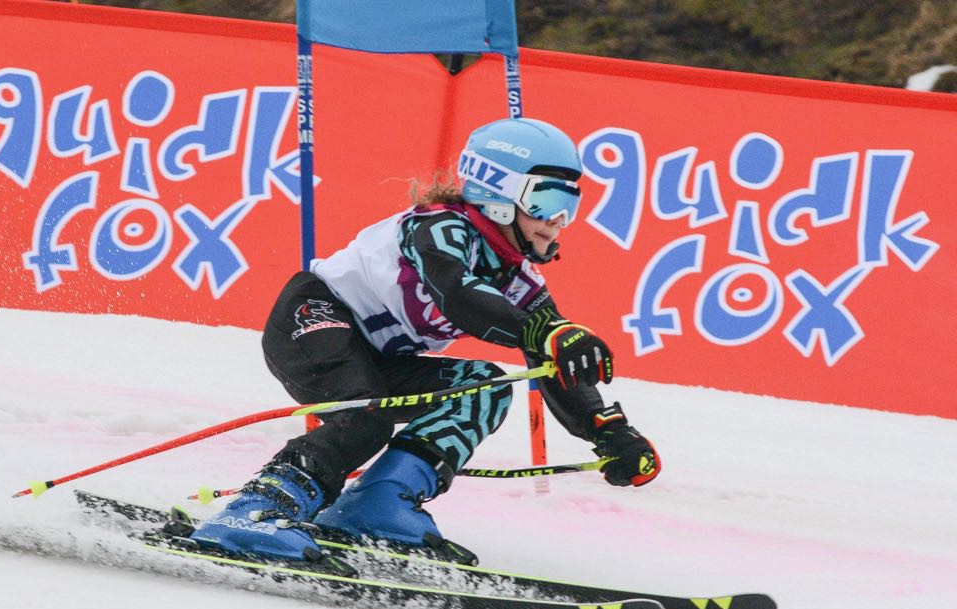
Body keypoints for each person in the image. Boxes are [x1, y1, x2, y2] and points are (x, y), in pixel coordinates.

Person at [190, 117, 661, 562]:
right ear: (497, 191)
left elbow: (552, 359)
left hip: (379, 357)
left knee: (484, 388)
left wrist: (608, 431)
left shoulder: (518, 278)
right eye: (544, 199)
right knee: (366, 415)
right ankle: (254, 510)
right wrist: (544, 329)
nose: (557, 220)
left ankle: (377, 504)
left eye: (570, 204)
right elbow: (456, 291)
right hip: (314, 317)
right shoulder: (439, 227)